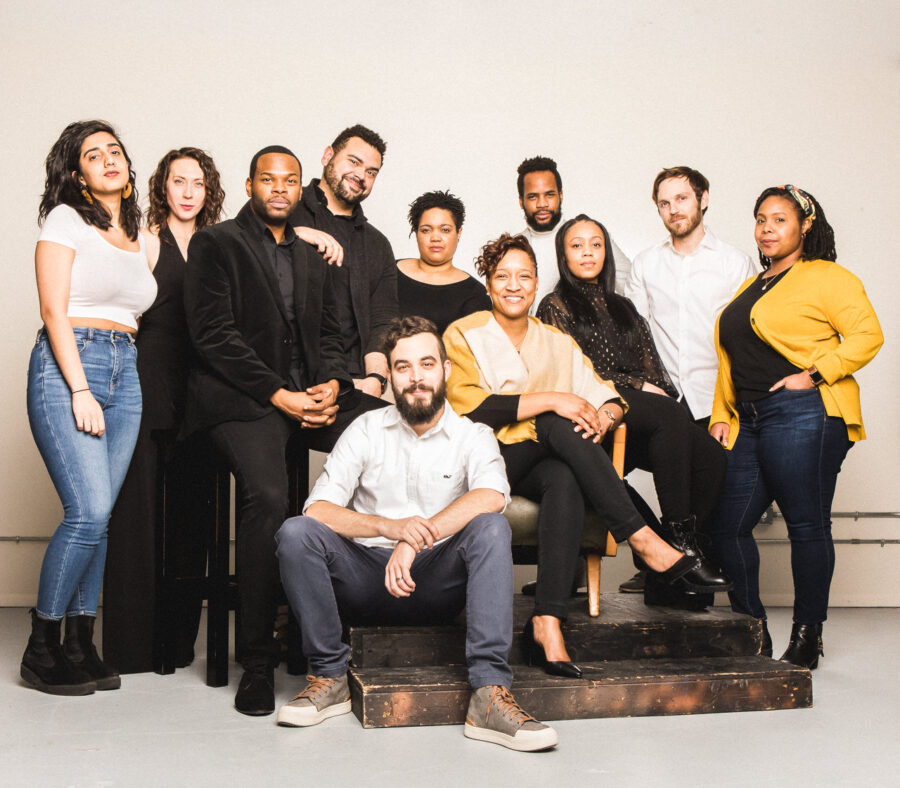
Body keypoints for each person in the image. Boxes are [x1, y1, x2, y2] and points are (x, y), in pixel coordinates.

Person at [444, 233, 731, 675]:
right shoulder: (463, 333)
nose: (513, 285)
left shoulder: (555, 339)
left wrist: (611, 411)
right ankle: (645, 540)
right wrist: (550, 400)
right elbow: (470, 407)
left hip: (542, 463)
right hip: (489, 460)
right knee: (557, 420)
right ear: (488, 284)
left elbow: (601, 391)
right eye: (502, 276)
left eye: (524, 276)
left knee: (564, 475)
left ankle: (547, 623)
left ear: (537, 283)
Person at [275, 316, 557, 752]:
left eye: (426, 364)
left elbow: (491, 495)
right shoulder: (366, 429)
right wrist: (389, 528)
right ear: (389, 377)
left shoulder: (473, 435)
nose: (416, 377)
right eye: (403, 367)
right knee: (296, 532)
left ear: (445, 369)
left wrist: (413, 540)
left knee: (490, 528)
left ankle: (488, 694)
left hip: (437, 582)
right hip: (365, 579)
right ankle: (329, 677)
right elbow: (319, 508)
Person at [183, 145, 386, 716]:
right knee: (271, 498)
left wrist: (329, 387)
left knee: (383, 429)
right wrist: (281, 395)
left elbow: (323, 336)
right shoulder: (216, 242)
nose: (279, 188)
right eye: (268, 179)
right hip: (243, 402)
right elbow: (213, 335)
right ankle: (258, 659)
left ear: (302, 189)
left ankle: (355, 623)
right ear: (250, 184)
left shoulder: (310, 254)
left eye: (289, 181)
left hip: (302, 396)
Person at [710, 185, 883, 667]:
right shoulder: (751, 287)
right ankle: (753, 630)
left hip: (805, 413)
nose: (767, 228)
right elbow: (731, 361)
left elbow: (869, 334)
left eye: (780, 219)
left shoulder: (827, 277)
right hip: (750, 419)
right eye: (760, 219)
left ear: (805, 226)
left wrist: (814, 374)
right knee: (729, 528)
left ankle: (808, 635)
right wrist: (723, 414)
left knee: (807, 525)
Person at [21, 120, 157, 695]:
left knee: (100, 520)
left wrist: (309, 234)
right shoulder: (64, 220)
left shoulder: (142, 237)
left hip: (126, 370)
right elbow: (54, 310)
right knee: (88, 510)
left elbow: (200, 236)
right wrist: (79, 388)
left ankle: (80, 642)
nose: (108, 160)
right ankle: (41, 646)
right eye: (93, 155)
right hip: (68, 364)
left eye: (115, 151)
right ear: (77, 174)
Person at [537, 215, 727, 604]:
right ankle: (679, 545)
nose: (587, 252)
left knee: (712, 458)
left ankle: (678, 558)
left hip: (640, 416)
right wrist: (637, 386)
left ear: (606, 252)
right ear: (563, 255)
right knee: (667, 413)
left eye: (595, 244)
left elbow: (655, 369)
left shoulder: (624, 306)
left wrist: (649, 387)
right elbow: (574, 373)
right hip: (593, 413)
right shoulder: (553, 306)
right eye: (577, 245)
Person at [103, 147, 225, 674]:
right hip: (150, 385)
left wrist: (315, 234)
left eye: (198, 183)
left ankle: (175, 648)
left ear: (209, 190)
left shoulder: (222, 245)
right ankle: (132, 648)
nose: (188, 191)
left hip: (204, 394)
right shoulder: (145, 241)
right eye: (179, 181)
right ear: (163, 187)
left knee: (190, 524)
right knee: (137, 515)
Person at [626, 166, 758, 423]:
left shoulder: (736, 263)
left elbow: (748, 340)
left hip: (719, 402)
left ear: (704, 199)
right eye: (664, 203)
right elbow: (635, 336)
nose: (673, 209)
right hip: (664, 402)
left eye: (681, 199)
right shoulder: (644, 264)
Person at [289, 124, 398, 398]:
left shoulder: (378, 244)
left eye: (371, 172)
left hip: (354, 381)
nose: (361, 175)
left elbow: (382, 321)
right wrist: (292, 234)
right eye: (354, 161)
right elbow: (241, 247)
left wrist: (375, 379)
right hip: (286, 376)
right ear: (327, 156)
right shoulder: (284, 208)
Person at [516, 155, 631, 308]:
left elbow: (631, 289)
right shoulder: (513, 247)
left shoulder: (587, 238)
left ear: (561, 196)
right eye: (532, 197)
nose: (542, 204)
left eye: (549, 195)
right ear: (521, 201)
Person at [397, 190, 491, 334]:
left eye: (445, 230)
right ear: (416, 232)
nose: (436, 238)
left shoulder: (475, 294)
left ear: (459, 232)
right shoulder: (389, 272)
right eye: (426, 230)